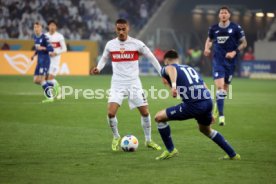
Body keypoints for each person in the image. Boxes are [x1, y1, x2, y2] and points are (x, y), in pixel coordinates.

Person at [154, 50, 240, 160]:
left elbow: (171, 69)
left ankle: (171, 150)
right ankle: (232, 154)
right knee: (205, 129)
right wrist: (210, 109)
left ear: (166, 61)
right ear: (178, 59)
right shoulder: (189, 68)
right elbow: (205, 86)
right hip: (207, 101)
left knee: (159, 117)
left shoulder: (167, 67)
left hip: (194, 105)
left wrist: (174, 86)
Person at [91, 18, 162, 151]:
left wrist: (161, 72)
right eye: (119, 29)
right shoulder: (110, 44)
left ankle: (148, 140)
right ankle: (116, 136)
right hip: (117, 83)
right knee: (111, 113)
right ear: (115, 29)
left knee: (145, 112)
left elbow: (151, 57)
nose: (121, 32)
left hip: (134, 83)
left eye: (124, 29)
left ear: (128, 28)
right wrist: (98, 68)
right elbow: (104, 58)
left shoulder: (136, 44)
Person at [204, 6, 247, 126]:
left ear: (229, 15)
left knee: (224, 89)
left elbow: (244, 43)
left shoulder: (236, 28)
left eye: (225, 13)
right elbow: (209, 39)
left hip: (231, 63)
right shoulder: (213, 28)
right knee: (220, 88)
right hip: (218, 61)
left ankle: (217, 109)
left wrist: (234, 52)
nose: (223, 14)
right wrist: (207, 48)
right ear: (219, 15)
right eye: (221, 13)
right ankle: (221, 116)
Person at [31, 22, 54, 103]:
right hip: (39, 61)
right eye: (34, 27)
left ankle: (50, 97)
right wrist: (34, 54)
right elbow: (37, 48)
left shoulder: (45, 37)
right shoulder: (35, 37)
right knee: (36, 80)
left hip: (45, 60)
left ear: (41, 28)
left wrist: (43, 48)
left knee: (41, 80)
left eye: (37, 27)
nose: (36, 29)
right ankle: (51, 84)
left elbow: (51, 49)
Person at [45, 20, 67, 99]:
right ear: (48, 26)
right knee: (46, 79)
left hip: (55, 61)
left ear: (56, 27)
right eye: (51, 25)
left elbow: (64, 49)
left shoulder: (59, 36)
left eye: (54, 25)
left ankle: (59, 91)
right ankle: (50, 94)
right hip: (47, 61)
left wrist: (56, 53)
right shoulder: (45, 36)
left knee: (50, 78)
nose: (52, 27)